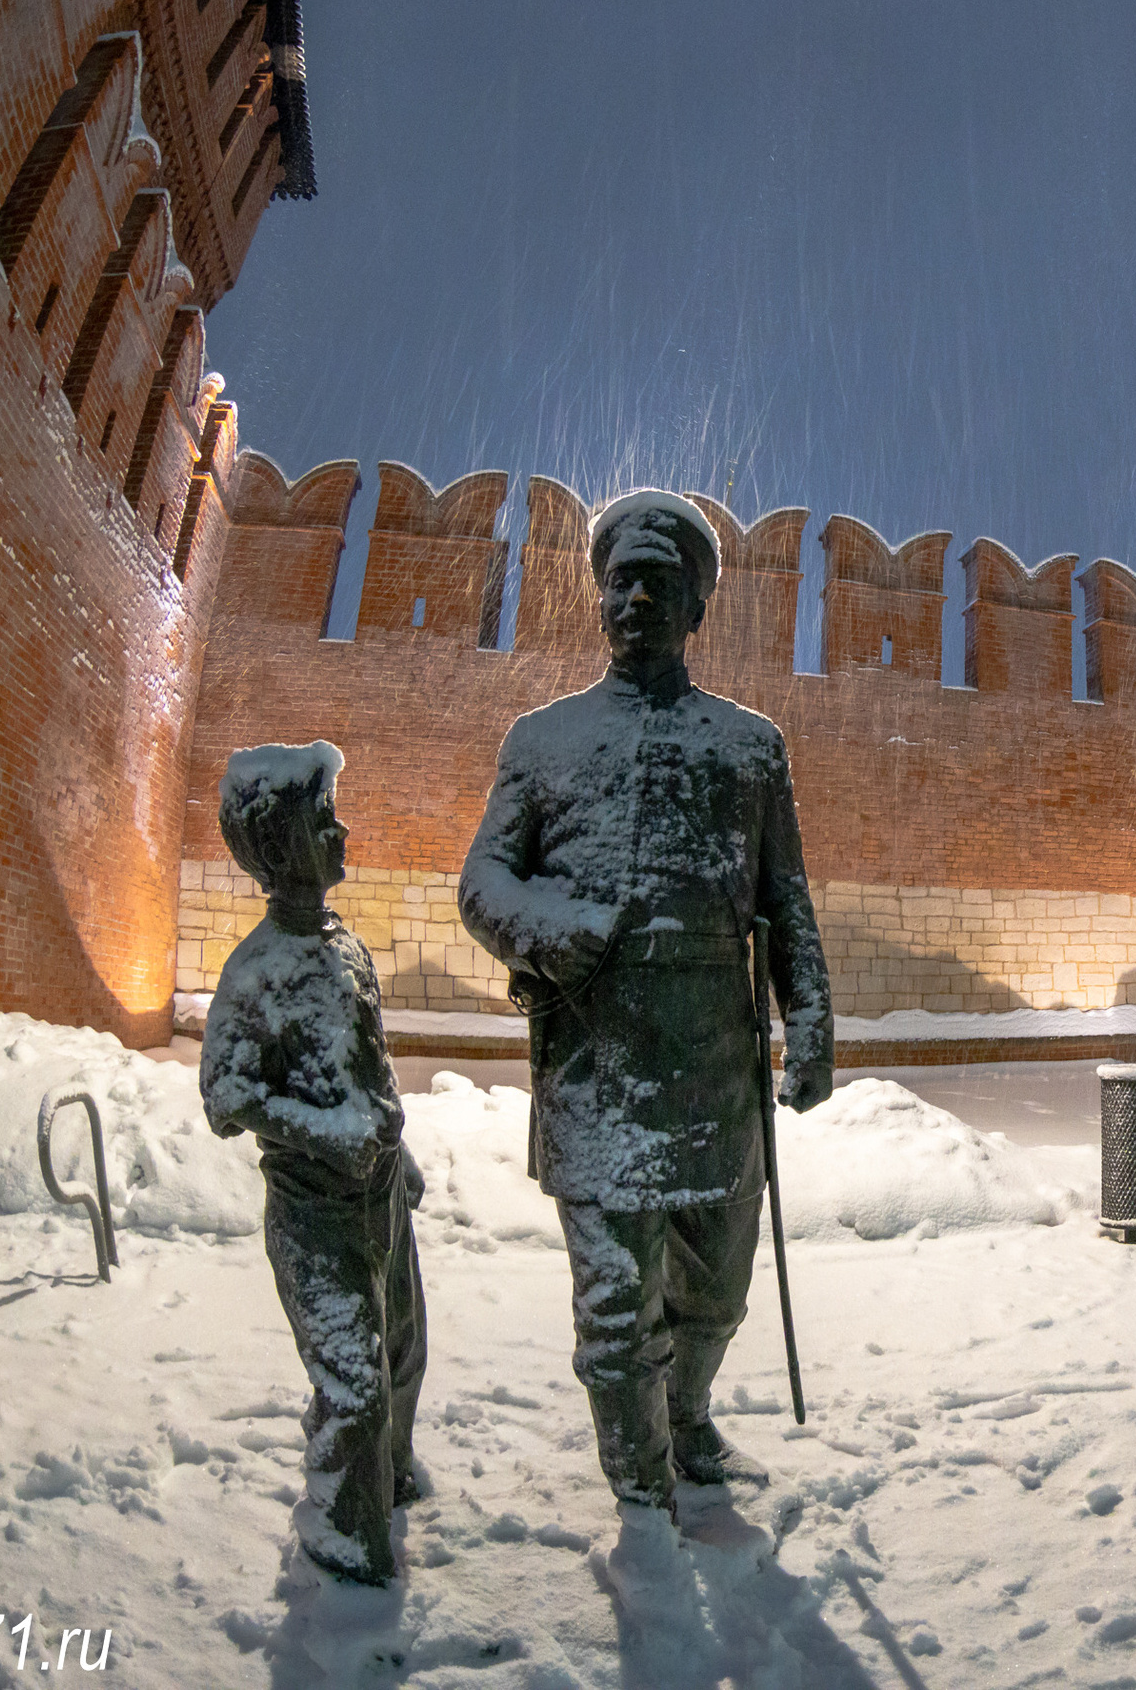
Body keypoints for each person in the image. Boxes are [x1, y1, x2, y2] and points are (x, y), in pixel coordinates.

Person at [460, 490, 834, 1521]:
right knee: (618, 1313)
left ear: (695, 608)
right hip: (597, 1059)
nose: (634, 598)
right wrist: (554, 927)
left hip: (716, 1064)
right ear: (598, 598)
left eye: (658, 584)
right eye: (620, 580)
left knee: (712, 1294)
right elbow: (483, 884)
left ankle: (689, 1411)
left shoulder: (748, 746)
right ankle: (638, 1492)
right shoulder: (542, 741)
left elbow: (785, 896)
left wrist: (811, 1024)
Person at [201, 741, 429, 1586]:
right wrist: (324, 1130)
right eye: (323, 818)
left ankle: (387, 1479)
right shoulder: (255, 973)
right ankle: (344, 1548)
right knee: (354, 1391)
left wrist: (391, 1150)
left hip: (379, 1199)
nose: (341, 830)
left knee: (402, 1356)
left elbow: (372, 1066)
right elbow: (225, 1096)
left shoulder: (348, 948)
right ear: (277, 843)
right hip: (312, 1215)